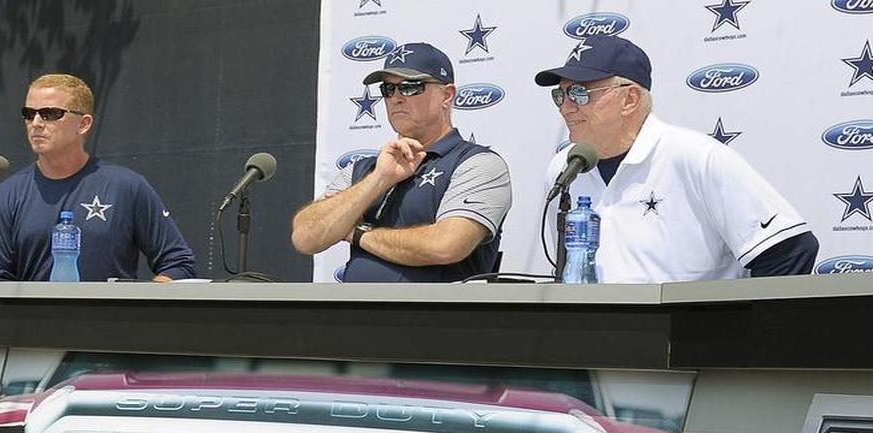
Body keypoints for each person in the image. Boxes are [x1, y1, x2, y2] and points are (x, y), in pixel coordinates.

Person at [535, 35, 818, 284]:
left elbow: (789, 249)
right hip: (596, 337)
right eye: (560, 95)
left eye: (579, 93)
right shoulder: (564, 169)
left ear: (629, 99)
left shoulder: (696, 157)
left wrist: (743, 337)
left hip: (687, 339)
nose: (566, 107)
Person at [291, 42, 512, 282]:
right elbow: (306, 236)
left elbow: (445, 245)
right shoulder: (364, 169)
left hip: (437, 317)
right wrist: (379, 179)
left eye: (410, 87)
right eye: (388, 89)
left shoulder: (477, 163)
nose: (396, 98)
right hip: (355, 316)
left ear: (446, 95)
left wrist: (357, 233)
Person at [0, 74, 196, 282]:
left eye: (50, 114)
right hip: (31, 322)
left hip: (111, 321)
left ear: (83, 124)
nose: (36, 123)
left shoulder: (126, 187)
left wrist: (140, 307)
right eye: (29, 114)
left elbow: (179, 264)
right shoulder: (6, 196)